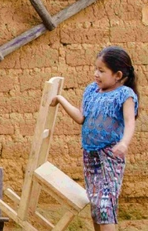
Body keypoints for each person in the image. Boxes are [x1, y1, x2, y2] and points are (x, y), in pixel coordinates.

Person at [51, 46, 138, 231]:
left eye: (101, 70)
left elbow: (130, 123)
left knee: (105, 205)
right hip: (90, 155)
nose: (96, 74)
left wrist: (124, 143)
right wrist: (60, 99)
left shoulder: (124, 95)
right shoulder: (92, 91)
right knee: (96, 204)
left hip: (110, 156)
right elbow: (81, 118)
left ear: (117, 75)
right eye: (95, 69)